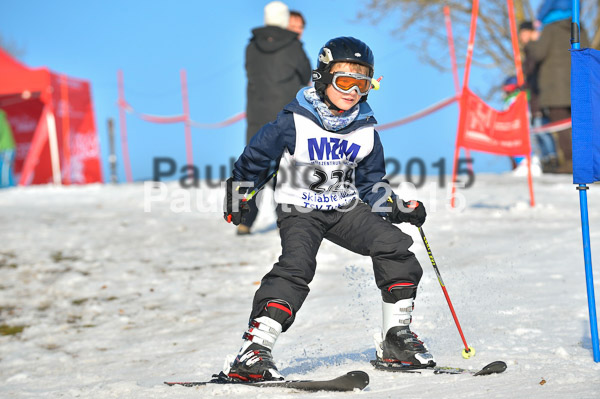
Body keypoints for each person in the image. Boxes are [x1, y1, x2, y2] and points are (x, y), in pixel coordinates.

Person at [223, 36, 434, 382]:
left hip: (344, 209)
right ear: (322, 78)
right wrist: (238, 196)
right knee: (297, 266)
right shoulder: (295, 121)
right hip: (300, 209)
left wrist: (397, 208)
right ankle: (253, 350)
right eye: (344, 80)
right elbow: (255, 159)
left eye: (362, 83)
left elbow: (371, 183)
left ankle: (396, 339)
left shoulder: (365, 130)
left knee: (394, 246)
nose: (352, 91)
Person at [241, 1, 312, 235]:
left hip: (257, 115)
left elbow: (250, 71)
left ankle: (245, 220)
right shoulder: (294, 46)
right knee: (286, 169)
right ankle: (288, 218)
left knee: (255, 166)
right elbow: (306, 75)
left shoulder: (251, 46)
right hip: (286, 117)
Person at [524, 0, 589, 173]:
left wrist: (530, 43)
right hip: (578, 84)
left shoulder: (550, 29)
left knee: (561, 125)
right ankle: (586, 161)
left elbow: (538, 53)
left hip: (555, 88)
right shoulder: (580, 28)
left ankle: (571, 162)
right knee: (579, 125)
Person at [518, 20, 558, 173]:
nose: (522, 37)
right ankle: (546, 159)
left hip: (542, 95)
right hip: (533, 97)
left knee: (542, 128)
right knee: (536, 129)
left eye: (524, 34)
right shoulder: (529, 52)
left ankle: (552, 157)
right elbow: (529, 74)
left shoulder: (536, 49)